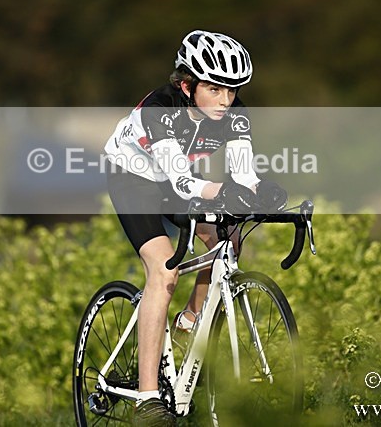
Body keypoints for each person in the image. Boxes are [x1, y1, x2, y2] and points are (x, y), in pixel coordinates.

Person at [103, 30, 287, 426]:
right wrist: (225, 190)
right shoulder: (160, 108)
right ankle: (147, 399)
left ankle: (189, 318)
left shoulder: (234, 113)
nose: (225, 101)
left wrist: (261, 190)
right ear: (187, 85)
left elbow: (243, 174)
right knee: (163, 270)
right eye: (214, 89)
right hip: (134, 178)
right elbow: (183, 182)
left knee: (228, 239)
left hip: (176, 178)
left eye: (232, 90)